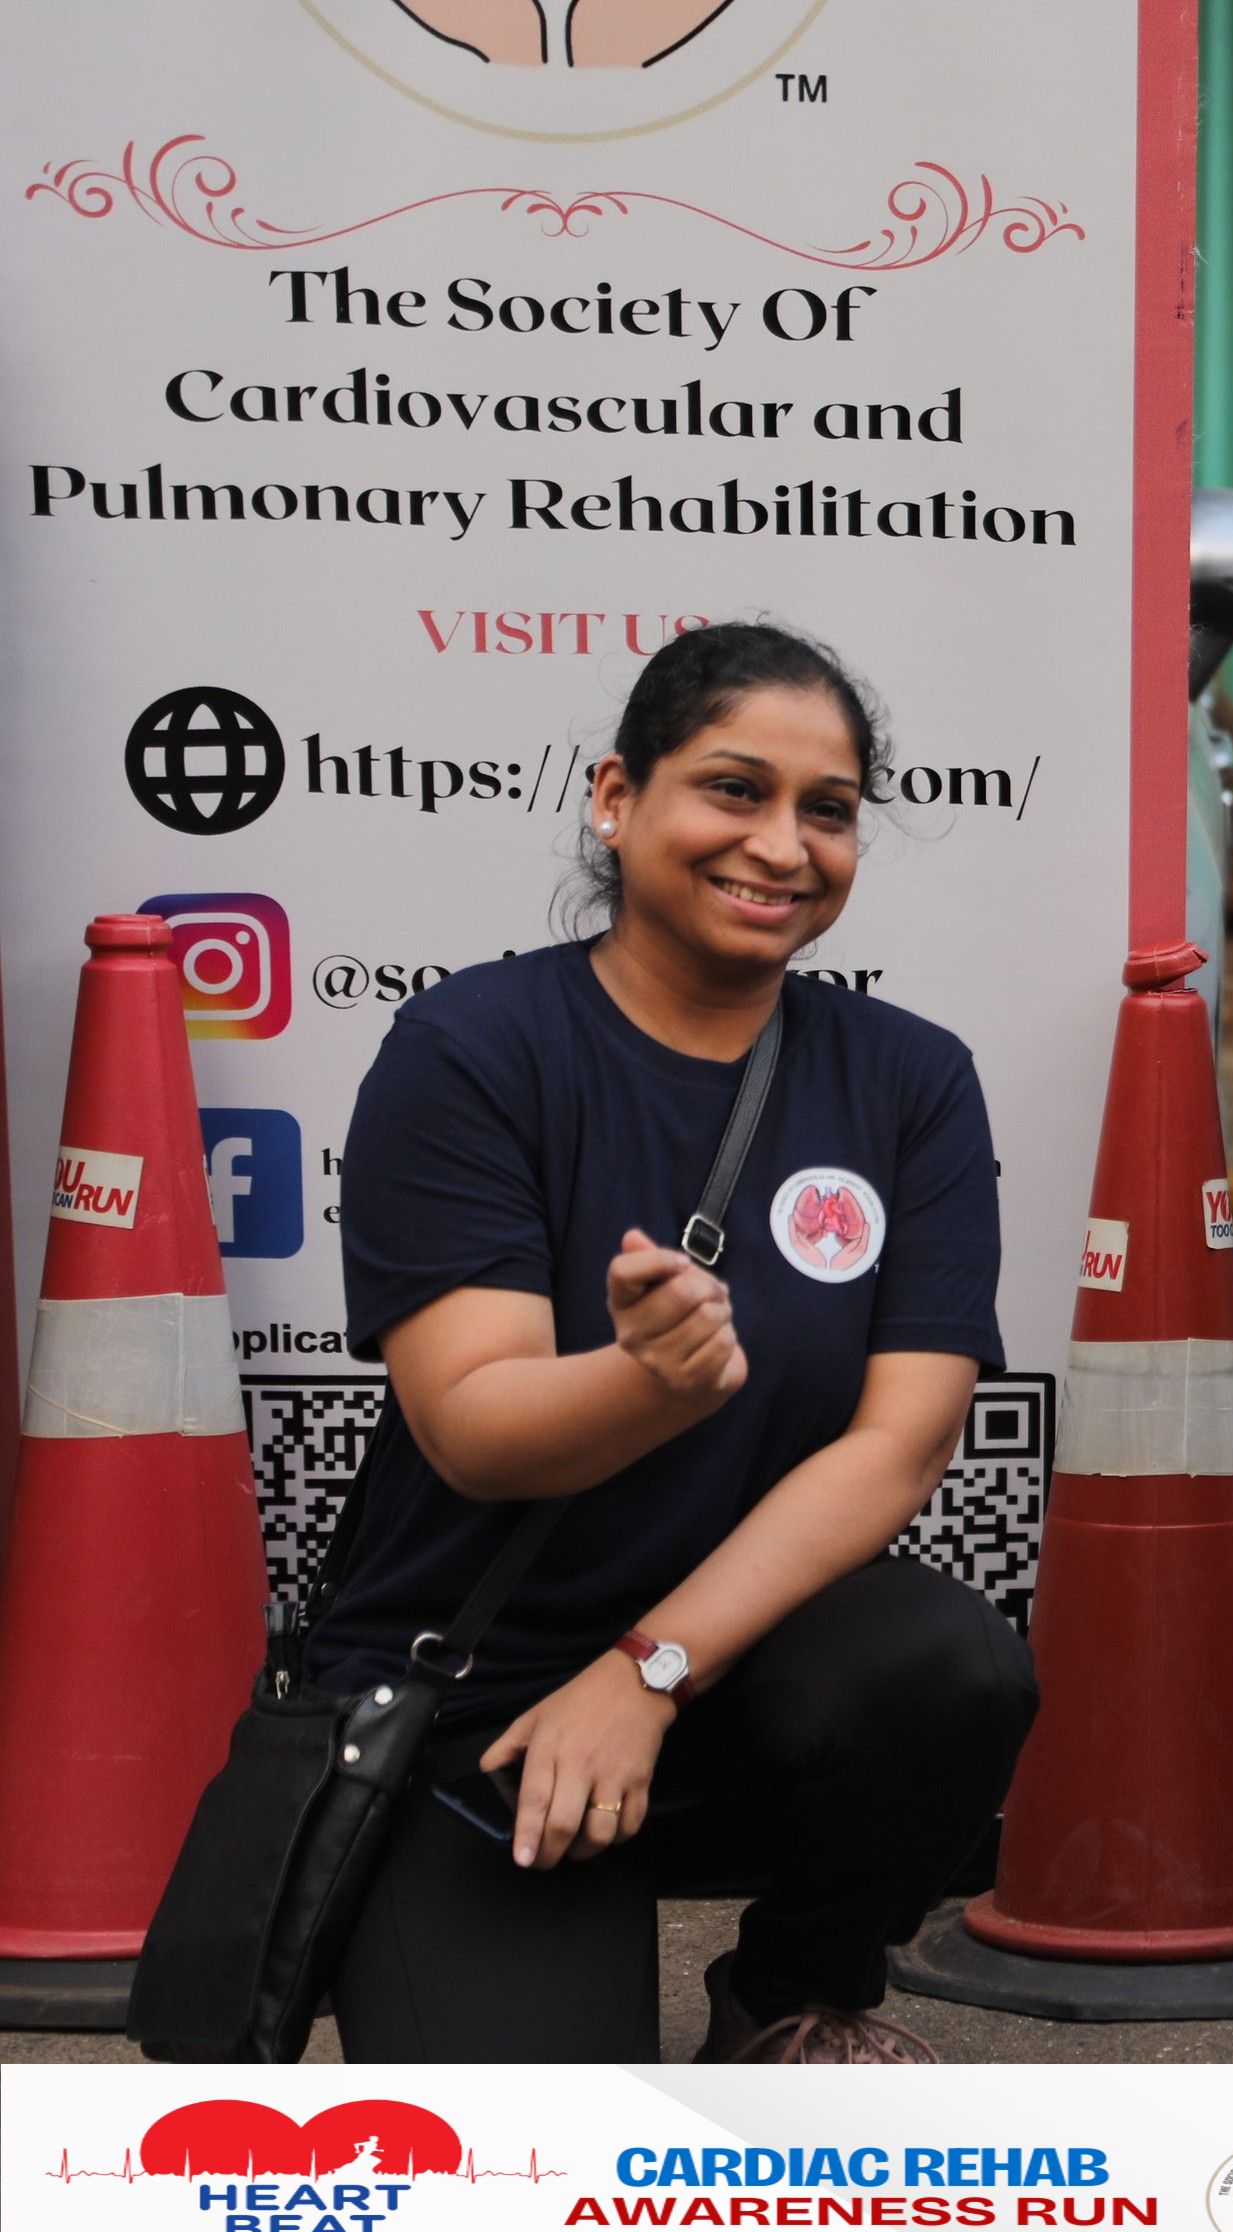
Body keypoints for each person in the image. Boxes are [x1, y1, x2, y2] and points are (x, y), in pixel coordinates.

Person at [308, 622, 1036, 2062]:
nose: (783, 845)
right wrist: (647, 1383)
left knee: (946, 1665)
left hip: (732, 1666)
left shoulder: (910, 1079)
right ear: (616, 796)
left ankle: (790, 1999)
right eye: (733, 789)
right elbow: (474, 1428)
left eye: (828, 810)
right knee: (545, 2167)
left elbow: (899, 1448)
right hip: (482, 1696)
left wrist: (647, 1669)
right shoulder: (472, 1048)